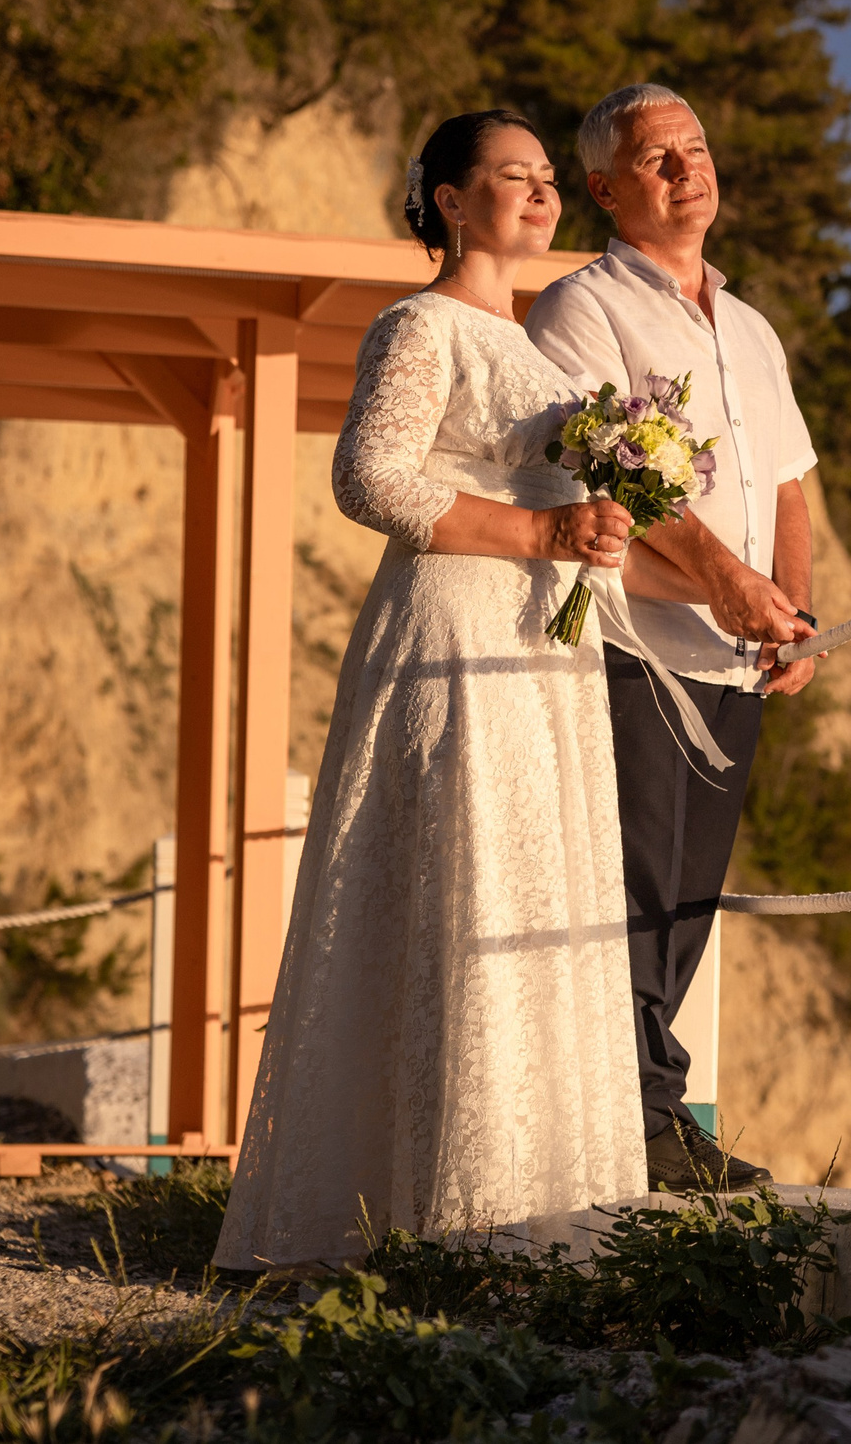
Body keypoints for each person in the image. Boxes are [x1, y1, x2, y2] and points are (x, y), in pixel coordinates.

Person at [215, 110, 713, 1269]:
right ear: (447, 198)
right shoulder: (418, 323)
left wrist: (660, 563)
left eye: (548, 180)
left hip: (546, 649)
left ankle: (527, 1208)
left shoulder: (546, 355)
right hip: (451, 634)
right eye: (513, 177)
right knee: (455, 885)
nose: (541, 197)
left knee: (535, 895)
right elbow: (370, 476)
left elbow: (580, 525)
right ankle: (402, 1212)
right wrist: (542, 528)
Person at [527, 84, 821, 1192]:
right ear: (605, 187)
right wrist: (724, 584)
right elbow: (601, 479)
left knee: (693, 892)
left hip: (737, 651)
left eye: (695, 148)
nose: (686, 168)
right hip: (633, 638)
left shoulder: (750, 326)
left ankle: (650, 1115)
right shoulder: (580, 310)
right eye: (657, 157)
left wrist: (790, 605)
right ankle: (638, 1124)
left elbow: (790, 481)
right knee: (638, 884)